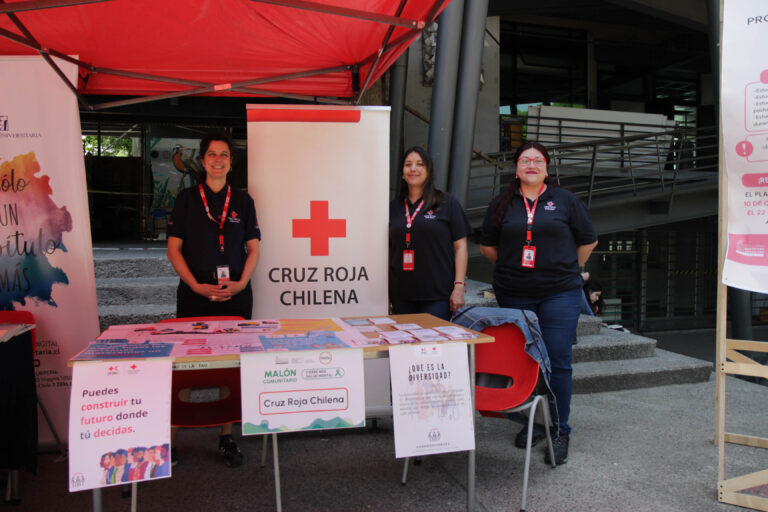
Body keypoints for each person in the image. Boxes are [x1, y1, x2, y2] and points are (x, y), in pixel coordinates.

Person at [480, 141, 597, 465]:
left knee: (558, 360)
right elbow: (488, 246)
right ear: (516, 168)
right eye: (524, 160)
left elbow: (588, 240)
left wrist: (566, 267)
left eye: (537, 160)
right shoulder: (502, 203)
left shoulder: (565, 200)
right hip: (515, 292)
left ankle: (559, 429)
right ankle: (530, 422)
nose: (531, 164)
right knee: (524, 359)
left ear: (546, 167)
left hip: (558, 292)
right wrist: (512, 266)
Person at [167, 131, 261, 468]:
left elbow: (253, 249)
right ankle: (172, 440)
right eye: (212, 154)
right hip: (195, 296)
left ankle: (226, 436)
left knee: (231, 368)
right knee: (184, 366)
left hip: (235, 297)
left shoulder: (243, 202)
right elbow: (173, 250)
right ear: (203, 160)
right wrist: (195, 285)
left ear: (231, 163)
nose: (218, 160)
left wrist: (241, 283)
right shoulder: (188, 199)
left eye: (224, 155)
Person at [389, 146, 471, 320]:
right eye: (408, 164)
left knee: (433, 347)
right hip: (401, 294)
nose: (413, 169)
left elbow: (461, 246)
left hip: (437, 295)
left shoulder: (447, 203)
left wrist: (458, 287)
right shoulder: (393, 207)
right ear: (402, 173)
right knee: (404, 346)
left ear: (429, 171)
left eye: (420, 164)